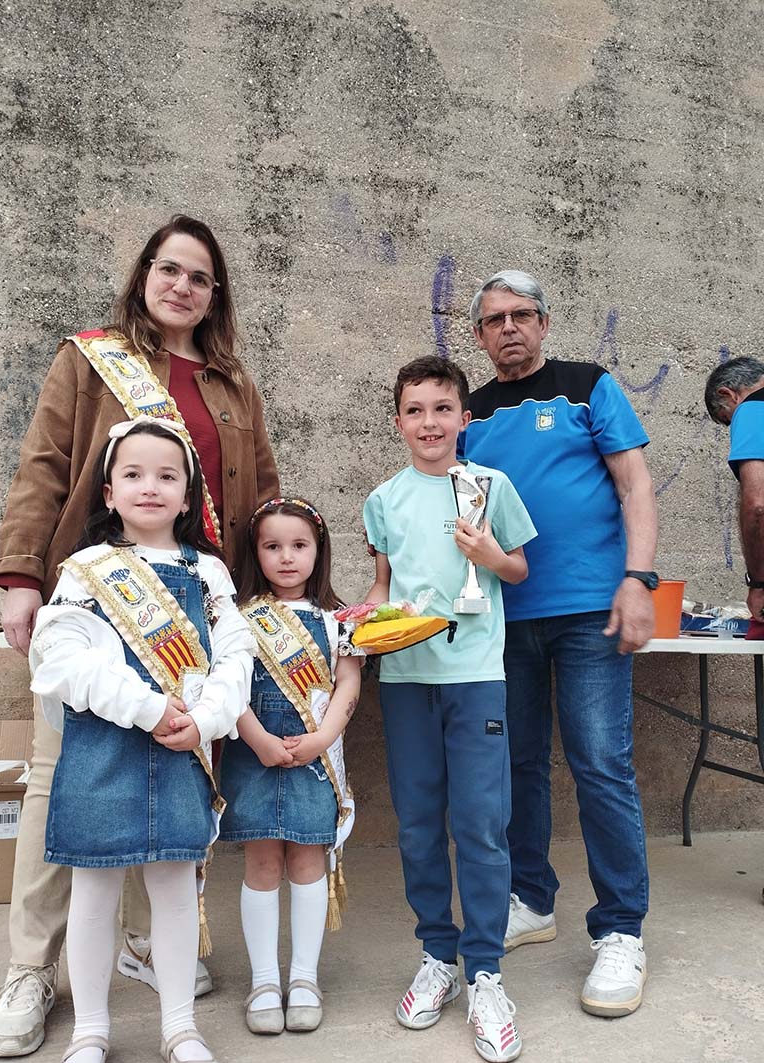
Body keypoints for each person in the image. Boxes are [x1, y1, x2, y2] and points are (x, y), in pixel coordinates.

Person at [0, 215, 279, 1057]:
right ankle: (31, 968)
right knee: (63, 778)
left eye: (200, 276)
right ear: (144, 274)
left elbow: (263, 492)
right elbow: (44, 465)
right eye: (168, 268)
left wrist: (284, 596)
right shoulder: (91, 359)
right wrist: (22, 576)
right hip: (100, 597)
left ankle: (149, 943)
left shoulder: (234, 384)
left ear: (215, 294)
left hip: (194, 601)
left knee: (175, 769)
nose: (182, 285)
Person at [460, 269, 658, 1018]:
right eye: (495, 319)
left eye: (522, 314)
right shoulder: (471, 413)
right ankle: (530, 899)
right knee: (515, 764)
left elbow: (635, 485)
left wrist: (637, 578)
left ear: (543, 323)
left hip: (590, 611)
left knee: (600, 762)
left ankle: (621, 929)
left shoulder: (587, 385)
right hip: (502, 617)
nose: (509, 327)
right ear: (479, 335)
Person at [29, 419, 255, 1063]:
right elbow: (60, 656)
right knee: (93, 895)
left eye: (166, 475)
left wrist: (206, 719)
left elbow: (236, 654)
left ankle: (180, 1026)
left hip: (182, 749)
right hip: (102, 749)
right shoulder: (86, 570)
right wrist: (147, 708)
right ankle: (91, 1030)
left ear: (188, 496)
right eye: (132, 474)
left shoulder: (208, 571)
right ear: (108, 492)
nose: (149, 487)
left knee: (176, 892)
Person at [363, 356, 536, 1063]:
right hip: (406, 678)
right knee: (416, 825)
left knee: (482, 825)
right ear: (398, 421)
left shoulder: (491, 486)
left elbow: (518, 569)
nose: (429, 422)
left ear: (465, 418)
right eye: (415, 410)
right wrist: (360, 623)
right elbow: (382, 589)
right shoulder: (383, 500)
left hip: (475, 678)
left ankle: (486, 971)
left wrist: (489, 552)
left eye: (442, 409)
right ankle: (438, 954)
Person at [219, 497, 363, 1035]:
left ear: (318, 551)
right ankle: (263, 981)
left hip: (315, 759)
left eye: (299, 545)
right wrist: (256, 738)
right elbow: (226, 686)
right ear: (255, 553)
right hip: (252, 753)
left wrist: (323, 737)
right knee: (261, 864)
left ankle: (304, 978)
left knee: (307, 861)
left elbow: (348, 682)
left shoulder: (338, 620)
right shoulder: (236, 619)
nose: (286, 557)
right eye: (272, 546)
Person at [704, 356, 764, 639]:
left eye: (728, 419)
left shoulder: (752, 407)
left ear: (728, 394)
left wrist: (759, 584)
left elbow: (758, 505)